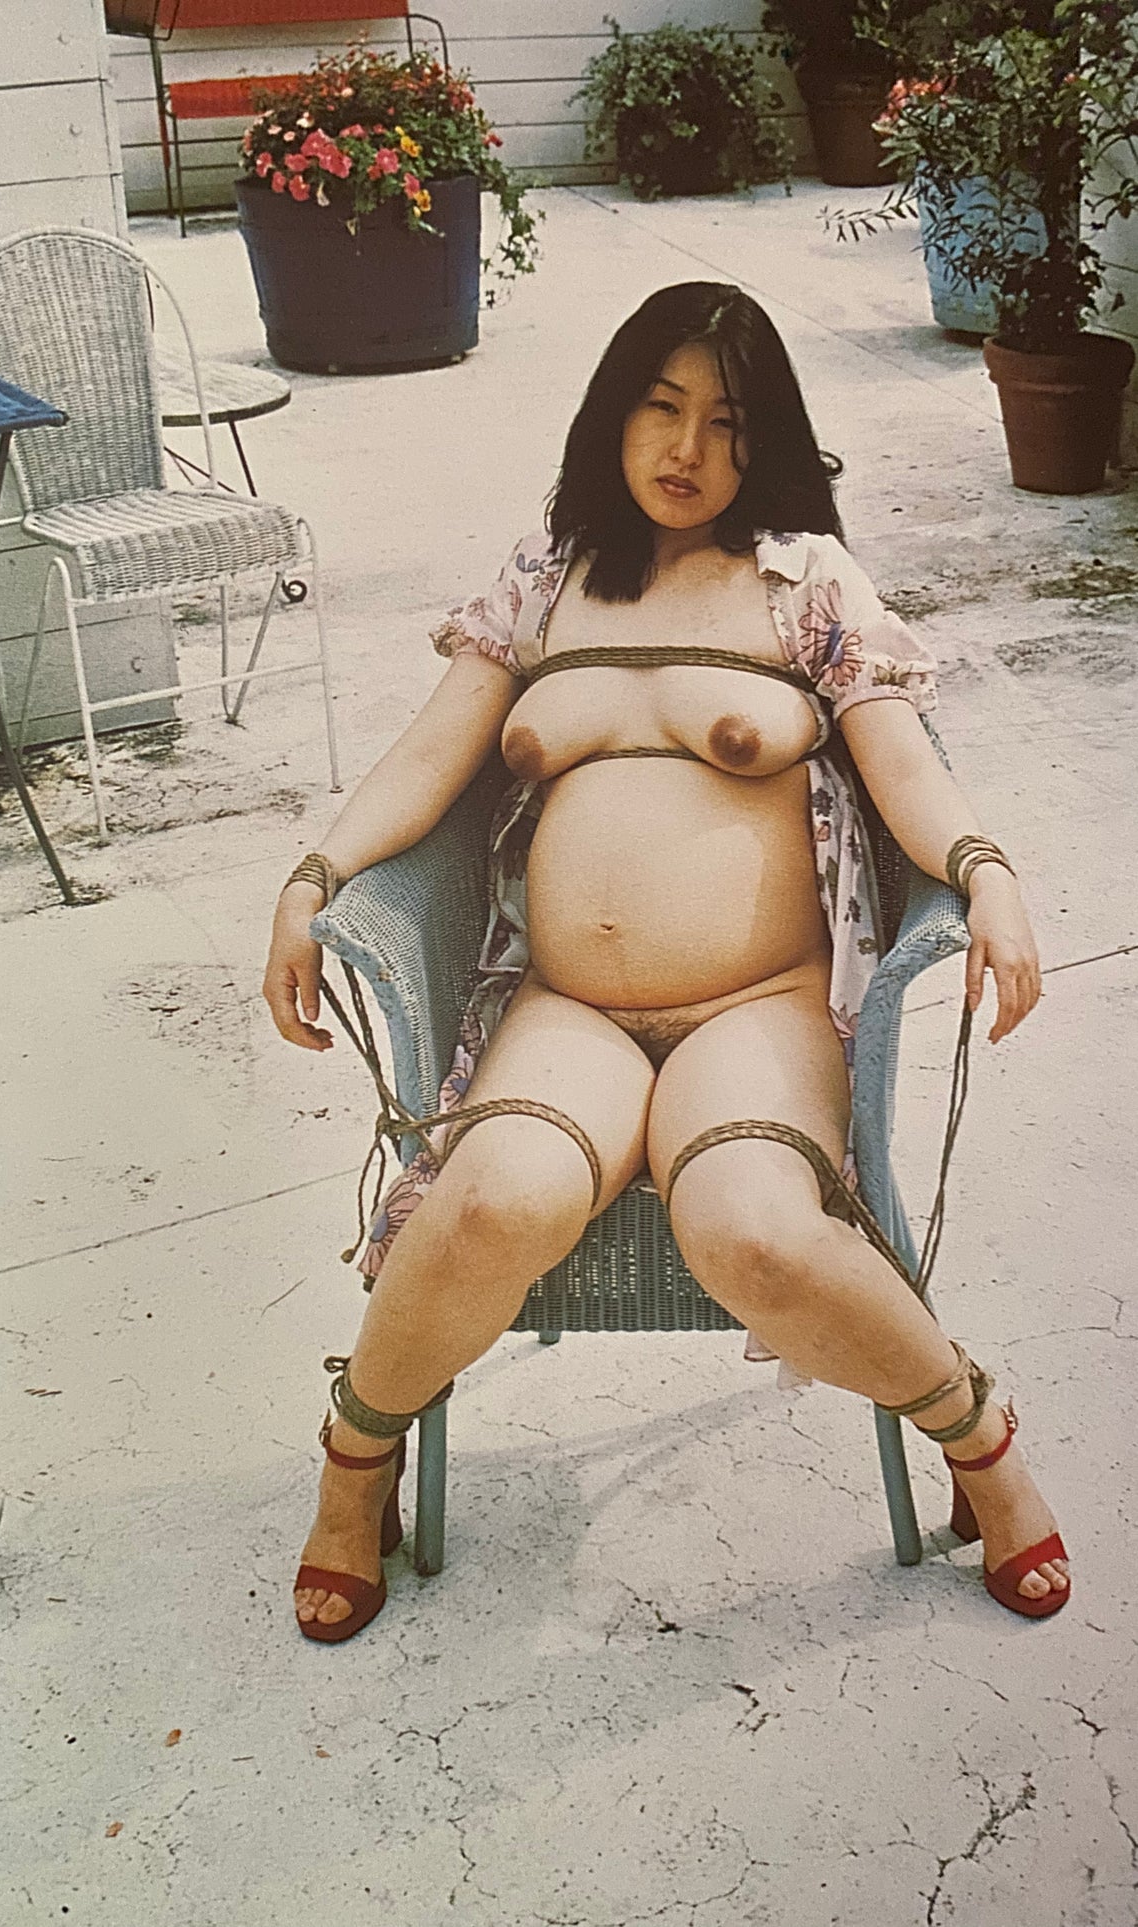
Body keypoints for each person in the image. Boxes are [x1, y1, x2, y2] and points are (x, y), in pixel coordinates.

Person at [263, 281, 1068, 1643]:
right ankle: (355, 1462)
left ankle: (977, 1438)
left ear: (770, 443)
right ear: (612, 412)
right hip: (566, 1008)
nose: (688, 449)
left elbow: (900, 764)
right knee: (489, 1203)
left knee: (751, 1232)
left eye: (729, 423)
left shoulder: (804, 583)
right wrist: (313, 878)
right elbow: (428, 755)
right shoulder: (545, 577)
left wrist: (985, 872)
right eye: (661, 405)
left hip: (755, 1009)